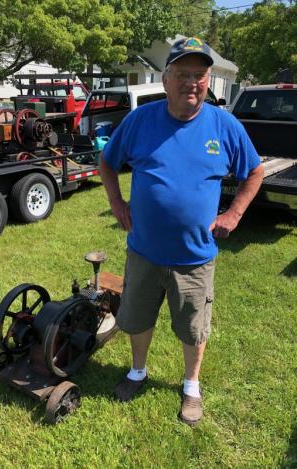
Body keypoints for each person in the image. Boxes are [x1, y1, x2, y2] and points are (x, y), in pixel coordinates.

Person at [99, 36, 264, 426]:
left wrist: (235, 214)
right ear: (166, 79)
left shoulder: (224, 125)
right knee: (136, 318)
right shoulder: (141, 120)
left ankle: (191, 385)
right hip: (143, 251)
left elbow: (254, 171)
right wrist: (117, 204)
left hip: (194, 257)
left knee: (193, 327)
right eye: (183, 74)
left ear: (208, 80)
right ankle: (138, 370)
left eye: (200, 75)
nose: (192, 82)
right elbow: (108, 163)